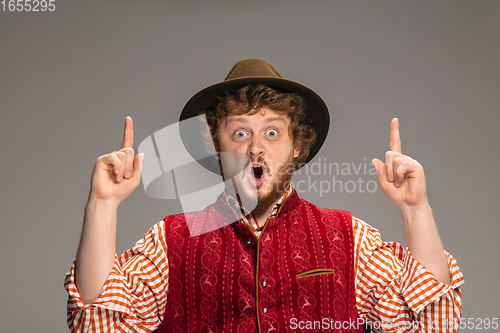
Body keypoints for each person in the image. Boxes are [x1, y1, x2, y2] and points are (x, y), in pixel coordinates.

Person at [65, 58, 463, 332]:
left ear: (296, 147)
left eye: (272, 132)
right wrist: (103, 205)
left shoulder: (349, 236)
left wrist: (415, 208)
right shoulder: (172, 240)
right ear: (216, 149)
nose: (256, 147)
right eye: (240, 133)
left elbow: (430, 321)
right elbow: (100, 323)